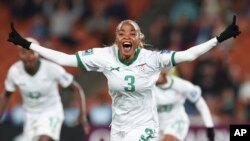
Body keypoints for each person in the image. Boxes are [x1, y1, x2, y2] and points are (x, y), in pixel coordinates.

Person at [7, 15, 240, 141]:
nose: (126, 36)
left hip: (144, 126)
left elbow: (188, 55)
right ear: (117, 39)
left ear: (139, 39)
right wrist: (28, 45)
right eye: (121, 32)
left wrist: (219, 39)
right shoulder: (104, 56)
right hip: (118, 127)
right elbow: (67, 60)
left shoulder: (152, 58)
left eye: (132, 33)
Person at [0, 38, 89, 141]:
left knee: (45, 139)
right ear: (20, 54)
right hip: (30, 115)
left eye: (32, 52)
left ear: (38, 53)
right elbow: (6, 95)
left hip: (51, 111)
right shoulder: (14, 71)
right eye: (24, 52)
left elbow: (76, 88)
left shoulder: (51, 69)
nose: (28, 56)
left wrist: (82, 114)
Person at [154, 69, 214, 141]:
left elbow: (201, 104)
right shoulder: (146, 88)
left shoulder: (180, 85)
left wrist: (210, 127)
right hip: (157, 125)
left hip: (177, 121)